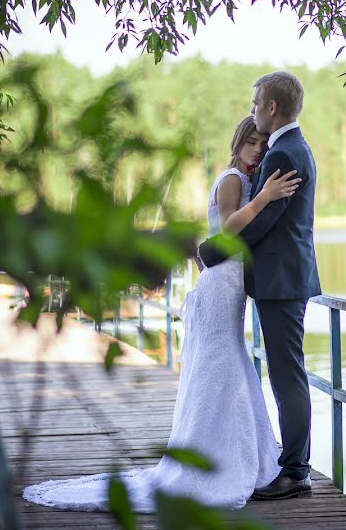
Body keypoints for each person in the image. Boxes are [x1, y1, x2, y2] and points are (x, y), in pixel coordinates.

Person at [22, 114, 301, 512]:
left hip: (228, 284)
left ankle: (232, 457)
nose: (258, 149)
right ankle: (216, 464)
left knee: (226, 368)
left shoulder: (243, 179)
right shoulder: (234, 181)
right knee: (221, 367)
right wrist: (265, 199)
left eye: (263, 143)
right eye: (252, 142)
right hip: (222, 286)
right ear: (238, 142)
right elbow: (226, 230)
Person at [197, 71, 321, 501]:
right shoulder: (290, 148)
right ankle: (295, 465)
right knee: (288, 376)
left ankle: (296, 472)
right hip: (282, 279)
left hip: (282, 282)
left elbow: (264, 223)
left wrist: (213, 251)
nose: (253, 113)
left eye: (255, 105)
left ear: (271, 107)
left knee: (288, 378)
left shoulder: (284, 154)